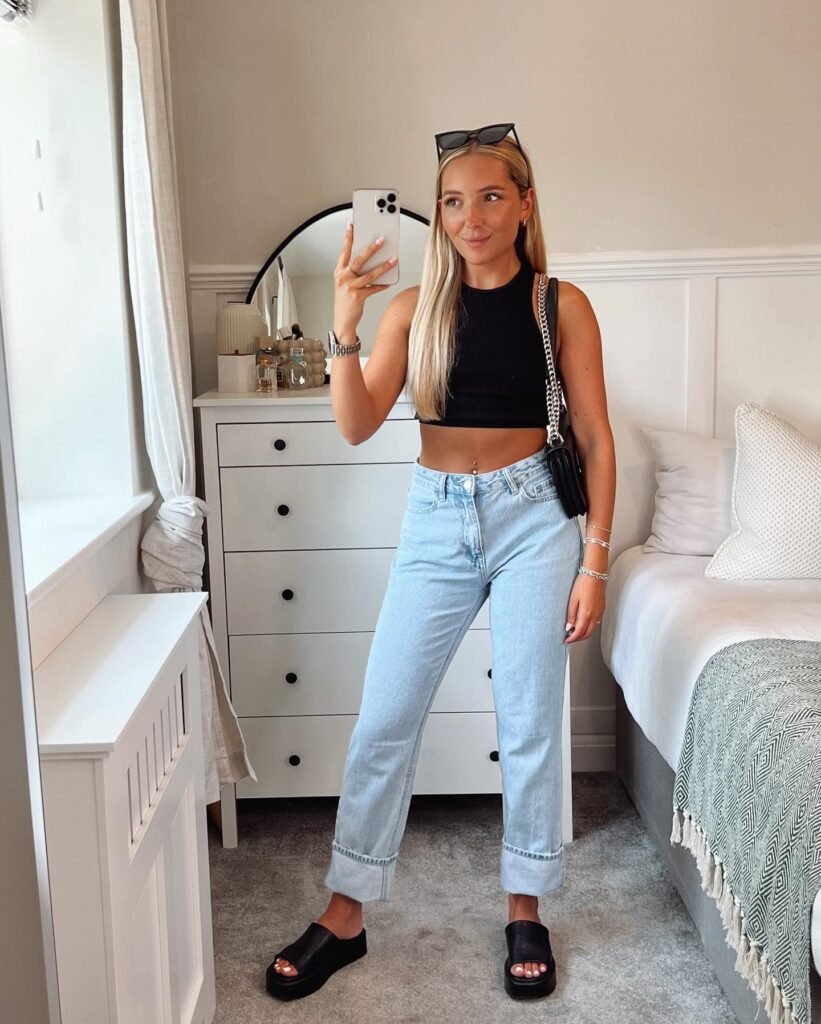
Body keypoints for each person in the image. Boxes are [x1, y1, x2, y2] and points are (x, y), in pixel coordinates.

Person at [266, 122, 616, 1002]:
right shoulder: (412, 306)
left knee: (530, 717)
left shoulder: (558, 304)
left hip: (536, 516)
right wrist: (343, 329)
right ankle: (346, 913)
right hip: (436, 518)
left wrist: (595, 561)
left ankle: (524, 905)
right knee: (385, 715)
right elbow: (355, 422)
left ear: (525, 205)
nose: (470, 216)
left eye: (491, 196)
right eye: (453, 201)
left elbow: (594, 437)